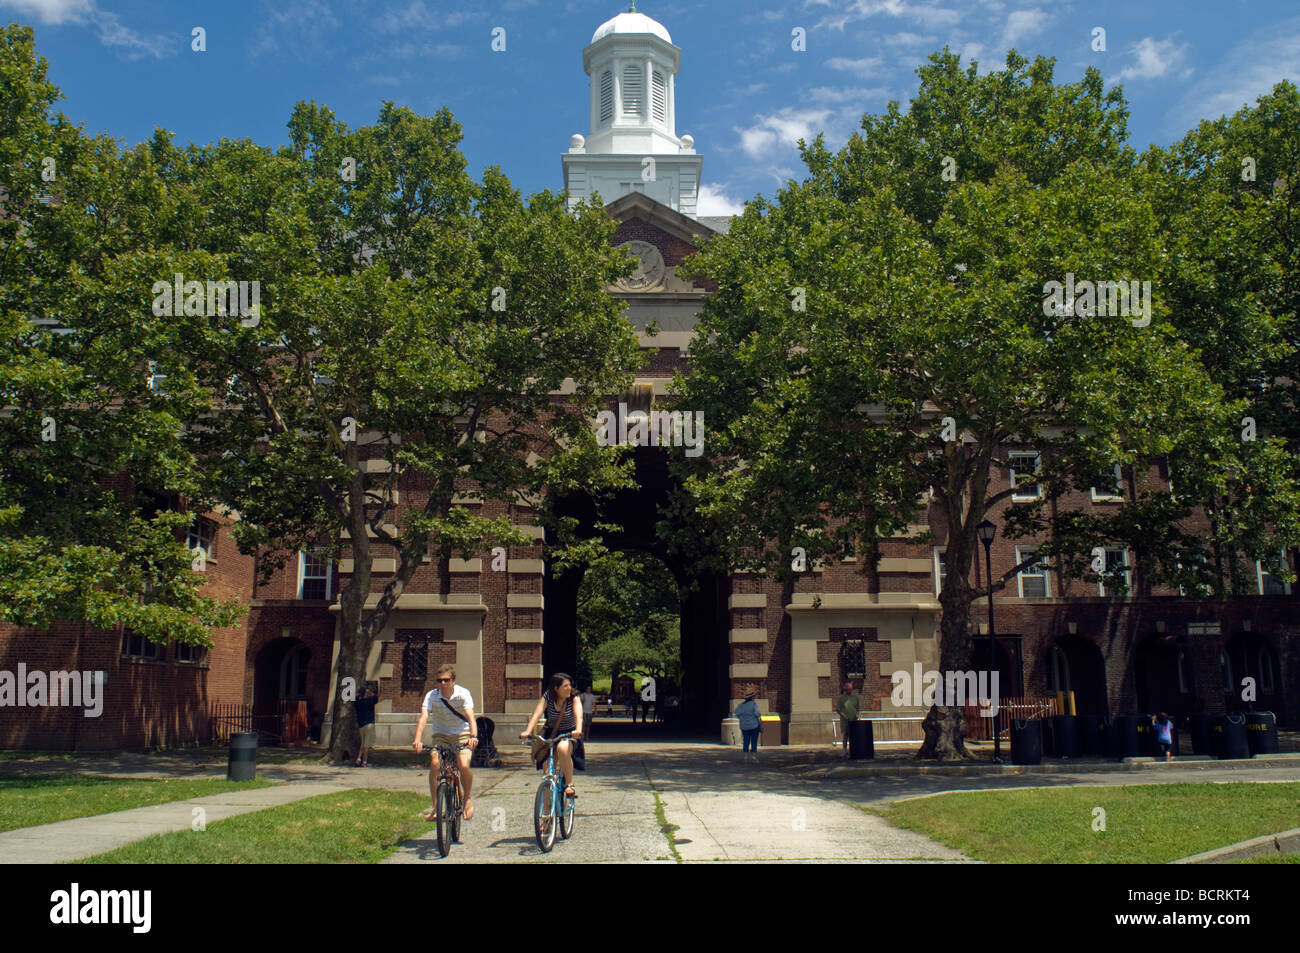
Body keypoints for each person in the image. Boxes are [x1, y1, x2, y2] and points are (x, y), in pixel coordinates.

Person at [413, 665, 478, 821]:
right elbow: (423, 718)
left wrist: (473, 736)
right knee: (435, 764)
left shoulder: (463, 694)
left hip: (462, 734)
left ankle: (467, 799)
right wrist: (417, 739)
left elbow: (470, 717)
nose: (443, 684)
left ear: (453, 681)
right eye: (439, 680)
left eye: (446, 680)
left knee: (463, 765)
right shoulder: (431, 696)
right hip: (441, 735)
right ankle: (436, 807)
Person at [521, 672, 584, 799]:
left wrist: (578, 730)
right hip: (552, 734)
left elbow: (579, 715)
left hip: (570, 733)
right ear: (556, 688)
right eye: (565, 686)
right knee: (547, 771)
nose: (569, 688)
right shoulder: (548, 696)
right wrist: (527, 731)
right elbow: (537, 714)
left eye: (569, 685)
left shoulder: (574, 698)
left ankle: (569, 784)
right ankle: (547, 811)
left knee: (563, 748)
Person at [734, 685, 761, 762]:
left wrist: (742, 718)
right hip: (754, 725)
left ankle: (745, 756)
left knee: (746, 740)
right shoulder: (754, 704)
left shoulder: (741, 705)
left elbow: (736, 713)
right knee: (754, 740)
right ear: (752, 697)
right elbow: (757, 714)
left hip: (744, 726)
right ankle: (753, 757)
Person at [354, 684, 378, 767]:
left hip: (361, 725)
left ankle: (358, 758)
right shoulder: (370, 701)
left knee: (363, 742)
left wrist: (358, 695)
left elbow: (355, 699)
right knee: (366, 744)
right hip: (369, 723)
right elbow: (376, 697)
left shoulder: (358, 702)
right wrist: (370, 693)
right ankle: (364, 761)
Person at [836, 681, 859, 757]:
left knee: (854, 735)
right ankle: (845, 750)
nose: (850, 691)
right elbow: (838, 709)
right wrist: (844, 716)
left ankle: (854, 749)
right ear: (845, 690)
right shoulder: (841, 698)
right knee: (845, 735)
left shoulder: (855, 697)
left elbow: (857, 708)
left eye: (851, 689)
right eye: (848, 689)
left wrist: (856, 714)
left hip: (854, 720)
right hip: (845, 720)